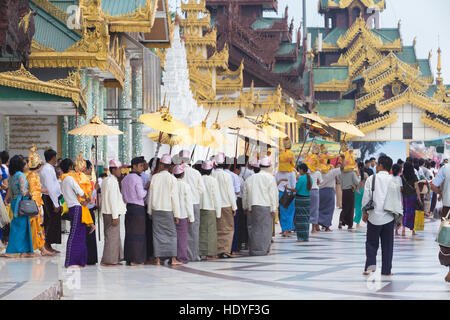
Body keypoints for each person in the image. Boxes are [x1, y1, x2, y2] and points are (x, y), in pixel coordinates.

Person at [362, 155, 400, 276]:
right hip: (389, 217)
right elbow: (397, 200)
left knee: (371, 243)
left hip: (374, 216)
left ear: (381, 166)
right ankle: (386, 270)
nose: (376, 165)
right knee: (388, 245)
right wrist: (398, 218)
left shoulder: (371, 179)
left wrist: (365, 213)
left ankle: (370, 267)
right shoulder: (394, 180)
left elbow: (366, 197)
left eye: (378, 164)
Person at [60, 158, 94, 268]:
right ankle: (71, 261)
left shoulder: (64, 180)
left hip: (74, 207)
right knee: (75, 234)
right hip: (75, 208)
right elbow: (80, 191)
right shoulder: (69, 179)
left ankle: (79, 261)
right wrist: (88, 198)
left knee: (80, 235)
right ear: (70, 167)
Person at [148, 154, 182, 266]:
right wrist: (177, 214)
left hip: (156, 209)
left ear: (161, 165)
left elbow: (150, 196)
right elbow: (175, 198)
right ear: (170, 166)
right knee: (171, 234)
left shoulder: (155, 177)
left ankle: (157, 259)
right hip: (168, 210)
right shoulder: (172, 178)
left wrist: (149, 211)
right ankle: (173, 258)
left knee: (157, 234)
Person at [242, 156, 278, 255]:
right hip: (266, 205)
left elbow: (245, 194)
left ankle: (253, 249)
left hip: (252, 205)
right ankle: (264, 250)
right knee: (265, 229)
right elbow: (273, 194)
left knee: (253, 228)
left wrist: (245, 206)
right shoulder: (270, 178)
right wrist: (274, 208)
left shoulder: (250, 179)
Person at [2, 155, 35, 258]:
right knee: (20, 229)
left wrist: (6, 200)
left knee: (20, 227)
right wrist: (30, 195)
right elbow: (23, 191)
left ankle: (24, 251)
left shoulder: (11, 176)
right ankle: (12, 251)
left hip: (15, 203)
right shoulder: (20, 175)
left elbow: (10, 192)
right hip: (22, 203)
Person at [178, 150, 205, 262]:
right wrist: (194, 194)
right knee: (194, 230)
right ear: (189, 160)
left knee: (182, 231)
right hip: (194, 203)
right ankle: (193, 255)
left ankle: (183, 254)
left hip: (181, 205)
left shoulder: (177, 172)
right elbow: (202, 189)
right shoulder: (196, 173)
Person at [26, 146, 53, 256]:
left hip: (36, 204)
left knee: (37, 228)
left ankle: (39, 249)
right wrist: (35, 208)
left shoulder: (32, 176)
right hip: (35, 205)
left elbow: (35, 190)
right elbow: (33, 193)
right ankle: (41, 249)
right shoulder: (33, 177)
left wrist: (42, 190)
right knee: (37, 228)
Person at [121, 157, 148, 266]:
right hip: (138, 209)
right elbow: (141, 195)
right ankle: (135, 260)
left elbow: (123, 197)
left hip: (129, 208)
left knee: (130, 234)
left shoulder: (125, 178)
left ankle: (129, 258)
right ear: (135, 166)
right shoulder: (137, 179)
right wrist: (146, 188)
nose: (142, 168)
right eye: (141, 166)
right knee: (138, 234)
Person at [100, 160, 126, 266]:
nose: (121, 171)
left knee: (114, 236)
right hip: (111, 213)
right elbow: (112, 200)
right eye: (119, 169)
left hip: (108, 211)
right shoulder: (112, 181)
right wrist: (115, 216)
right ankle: (109, 260)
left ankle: (116, 258)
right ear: (114, 170)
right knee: (111, 237)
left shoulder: (107, 180)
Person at [212, 153, 237, 259]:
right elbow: (231, 192)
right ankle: (226, 250)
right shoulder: (227, 176)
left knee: (216, 228)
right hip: (226, 204)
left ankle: (217, 250)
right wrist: (234, 207)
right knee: (228, 229)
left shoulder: (212, 175)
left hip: (214, 205)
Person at [39, 149, 62, 254]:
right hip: (49, 198)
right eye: (56, 157)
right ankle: (46, 244)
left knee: (54, 222)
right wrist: (55, 203)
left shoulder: (49, 168)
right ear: (53, 157)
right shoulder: (47, 169)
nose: (56, 159)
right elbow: (50, 187)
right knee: (50, 222)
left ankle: (49, 245)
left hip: (52, 197)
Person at [430, 163, 450, 282]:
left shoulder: (446, 168)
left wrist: (442, 194)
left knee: (447, 241)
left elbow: (433, 185)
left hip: (448, 210)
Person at [198, 160, 221, 260]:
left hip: (199, 207)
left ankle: (199, 251)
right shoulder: (213, 180)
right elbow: (216, 197)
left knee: (200, 231)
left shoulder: (198, 179)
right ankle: (210, 253)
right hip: (210, 208)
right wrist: (218, 213)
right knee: (210, 232)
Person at [173, 164, 194, 264]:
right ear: (183, 174)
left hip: (172, 214)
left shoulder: (172, 183)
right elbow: (188, 202)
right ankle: (181, 257)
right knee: (182, 237)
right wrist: (191, 217)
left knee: (173, 237)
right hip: (183, 214)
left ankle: (173, 256)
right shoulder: (185, 186)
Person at [276, 142, 297, 238]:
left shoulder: (278, 172)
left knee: (283, 212)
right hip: (289, 194)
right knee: (290, 212)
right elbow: (293, 186)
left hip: (280, 193)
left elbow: (276, 182)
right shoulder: (292, 173)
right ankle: (287, 230)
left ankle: (284, 229)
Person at [318, 158, 344, 231]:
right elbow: (342, 168)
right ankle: (326, 226)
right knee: (329, 209)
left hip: (319, 191)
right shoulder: (332, 171)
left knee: (319, 209)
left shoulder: (318, 170)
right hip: (329, 191)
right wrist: (343, 159)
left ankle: (317, 225)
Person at [224, 157, 241, 255]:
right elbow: (237, 191)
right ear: (230, 165)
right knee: (232, 227)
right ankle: (233, 248)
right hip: (231, 203)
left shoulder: (214, 174)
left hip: (219, 204)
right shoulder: (234, 176)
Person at [401, 162, 421, 237]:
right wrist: (419, 198)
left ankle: (403, 230)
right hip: (412, 197)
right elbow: (416, 187)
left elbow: (401, 188)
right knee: (412, 213)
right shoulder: (414, 176)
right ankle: (413, 230)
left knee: (405, 211)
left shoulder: (402, 176)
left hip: (405, 197)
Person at [294, 163, 313, 242]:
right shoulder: (310, 178)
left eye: (299, 170)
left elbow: (296, 189)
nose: (298, 171)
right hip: (307, 199)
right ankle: (305, 236)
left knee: (299, 219)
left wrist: (287, 188)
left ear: (301, 170)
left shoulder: (301, 178)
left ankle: (301, 237)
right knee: (305, 218)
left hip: (300, 200)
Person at [354, 162, 369, 228]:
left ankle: (357, 222)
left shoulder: (355, 174)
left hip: (356, 191)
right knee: (361, 207)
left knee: (357, 207)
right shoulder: (365, 174)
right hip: (363, 191)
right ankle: (358, 222)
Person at [309, 168, 322, 234]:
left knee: (307, 209)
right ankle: (313, 228)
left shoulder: (307, 171)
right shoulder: (317, 172)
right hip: (315, 191)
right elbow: (320, 182)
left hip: (307, 191)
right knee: (315, 210)